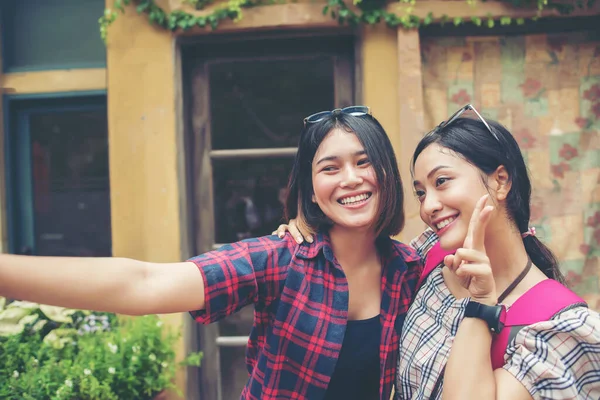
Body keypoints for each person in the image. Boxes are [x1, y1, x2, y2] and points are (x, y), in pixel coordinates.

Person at [0, 106, 422, 400]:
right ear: (311, 188)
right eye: (330, 168)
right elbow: (144, 284)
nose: (350, 179)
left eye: (364, 162)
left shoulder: (410, 269)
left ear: (385, 171)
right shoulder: (281, 258)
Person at [276, 105, 600, 399]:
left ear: (500, 181)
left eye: (441, 181)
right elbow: (355, 256)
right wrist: (308, 224)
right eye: (420, 192)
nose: (428, 206)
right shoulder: (428, 258)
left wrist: (482, 306)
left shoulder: (559, 327)